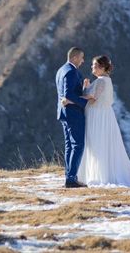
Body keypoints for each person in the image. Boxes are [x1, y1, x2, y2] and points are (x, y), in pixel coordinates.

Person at [61, 54, 130, 187]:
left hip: (97, 116)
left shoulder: (101, 81)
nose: (92, 67)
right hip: (103, 115)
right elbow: (92, 95)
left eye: (94, 65)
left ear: (101, 67)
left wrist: (69, 99)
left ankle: (98, 174)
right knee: (102, 144)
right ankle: (102, 173)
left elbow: (93, 98)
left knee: (96, 144)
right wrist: (86, 86)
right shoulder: (105, 80)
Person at [55, 47, 96, 188]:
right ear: (74, 58)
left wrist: (83, 88)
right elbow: (68, 95)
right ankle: (71, 179)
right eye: (81, 58)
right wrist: (86, 101)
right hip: (73, 113)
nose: (83, 61)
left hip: (64, 113)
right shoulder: (72, 72)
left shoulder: (61, 70)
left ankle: (69, 175)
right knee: (78, 145)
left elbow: (68, 94)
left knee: (69, 146)